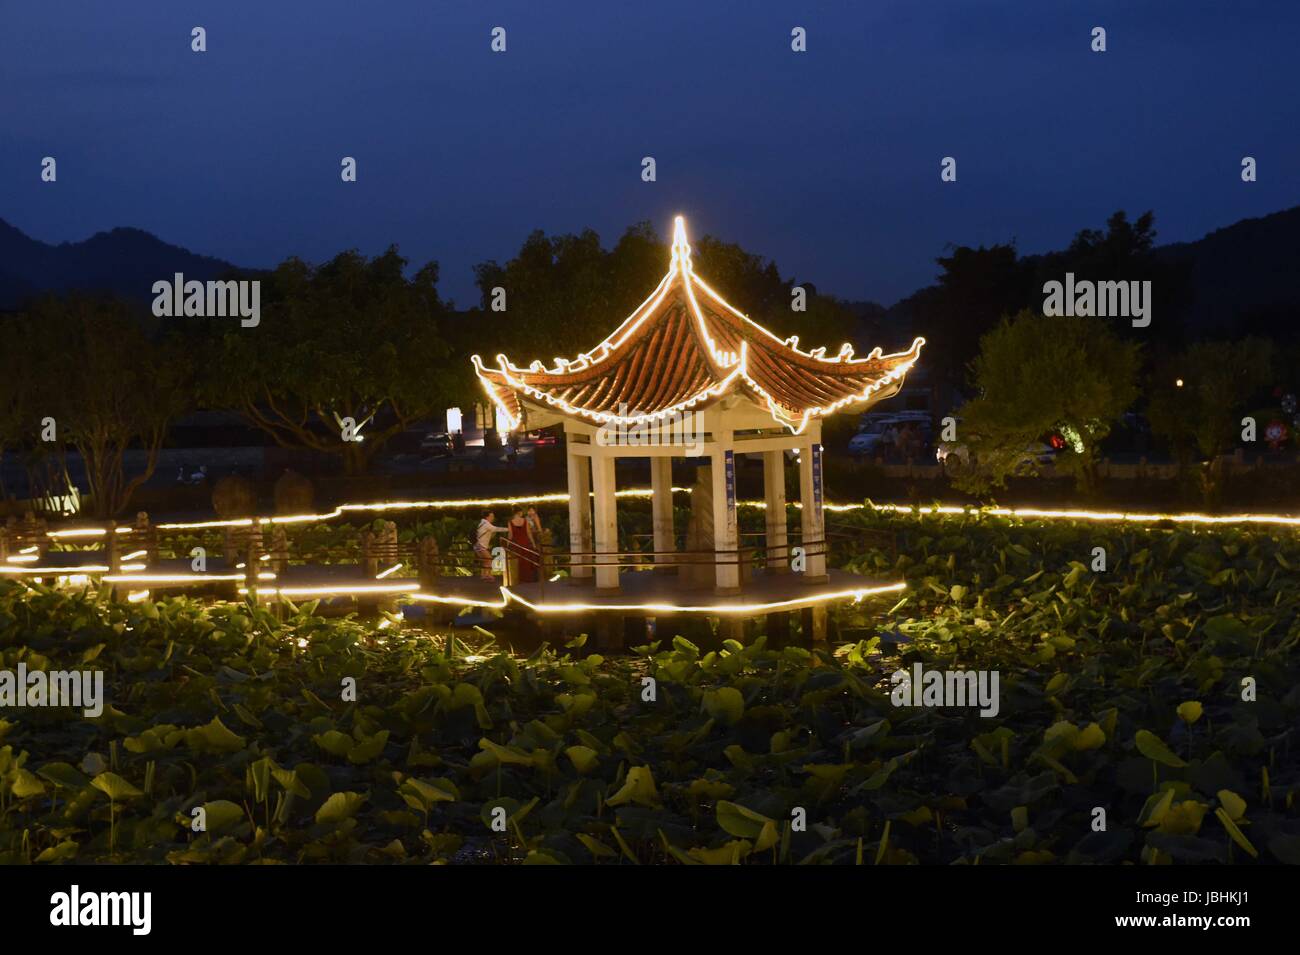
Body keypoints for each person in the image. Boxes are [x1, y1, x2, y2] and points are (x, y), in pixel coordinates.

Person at [474, 511, 508, 579]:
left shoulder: (482, 523)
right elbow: (496, 529)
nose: (493, 518)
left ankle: (483, 575)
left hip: (478, 545)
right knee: (489, 559)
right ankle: (488, 575)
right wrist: (508, 529)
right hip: (481, 546)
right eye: (491, 516)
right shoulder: (486, 524)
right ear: (487, 517)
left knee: (485, 560)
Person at [508, 508, 539, 583]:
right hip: (525, 543)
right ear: (519, 512)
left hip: (516, 544)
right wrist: (533, 544)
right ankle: (528, 579)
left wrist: (508, 544)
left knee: (519, 562)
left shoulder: (510, 522)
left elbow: (510, 535)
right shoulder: (525, 521)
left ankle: (520, 580)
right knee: (526, 562)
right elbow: (529, 533)